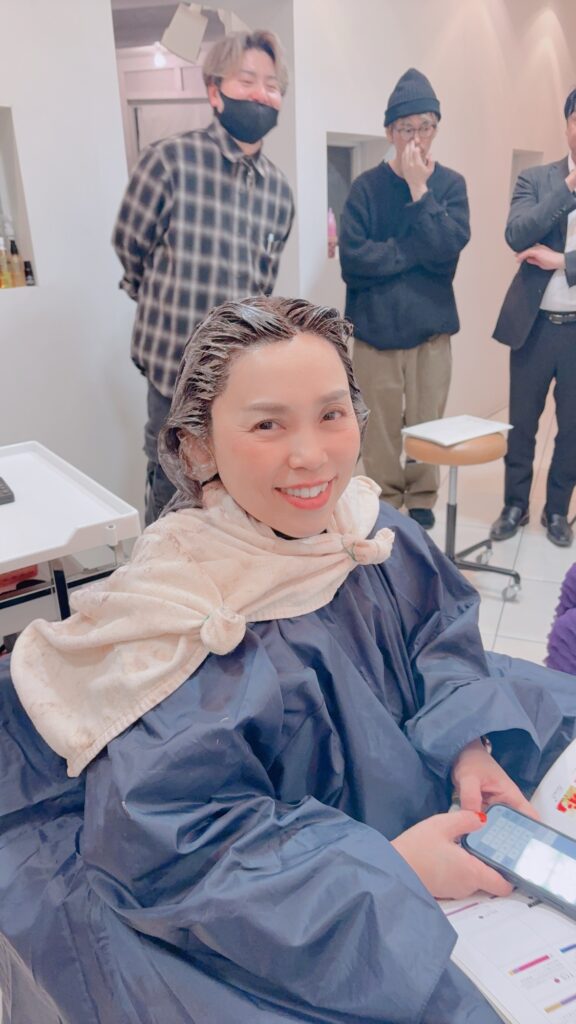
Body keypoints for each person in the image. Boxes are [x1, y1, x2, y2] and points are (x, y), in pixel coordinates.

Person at [2, 296, 576, 1024]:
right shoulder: (182, 617)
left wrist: (469, 744)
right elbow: (187, 841)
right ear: (199, 446)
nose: (310, 456)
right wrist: (392, 870)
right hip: (303, 886)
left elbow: (441, 635)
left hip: (412, 797)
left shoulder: (368, 530)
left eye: (331, 414)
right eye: (268, 424)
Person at [113, 29, 295, 525]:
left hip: (239, 375)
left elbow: (263, 284)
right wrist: (160, 300)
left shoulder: (278, 191)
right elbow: (130, 249)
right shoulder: (169, 161)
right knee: (172, 481)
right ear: (215, 91)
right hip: (172, 369)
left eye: (272, 86)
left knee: (234, 484)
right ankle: (161, 567)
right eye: (247, 80)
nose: (261, 95)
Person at [339, 68, 470, 530]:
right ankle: (386, 500)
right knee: (378, 428)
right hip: (375, 335)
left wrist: (420, 190)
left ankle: (422, 497)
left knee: (427, 423)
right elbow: (354, 261)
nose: (416, 138)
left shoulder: (449, 186)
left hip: (431, 335)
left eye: (425, 127)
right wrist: (414, 252)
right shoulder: (365, 189)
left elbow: (447, 250)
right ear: (389, 132)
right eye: (406, 128)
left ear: (436, 129)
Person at [490, 88, 576, 549]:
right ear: (567, 125)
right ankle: (515, 505)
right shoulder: (536, 179)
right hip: (535, 326)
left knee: (573, 430)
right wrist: (568, 188)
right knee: (522, 424)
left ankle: (557, 509)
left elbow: (546, 251)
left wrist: (562, 261)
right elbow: (517, 233)